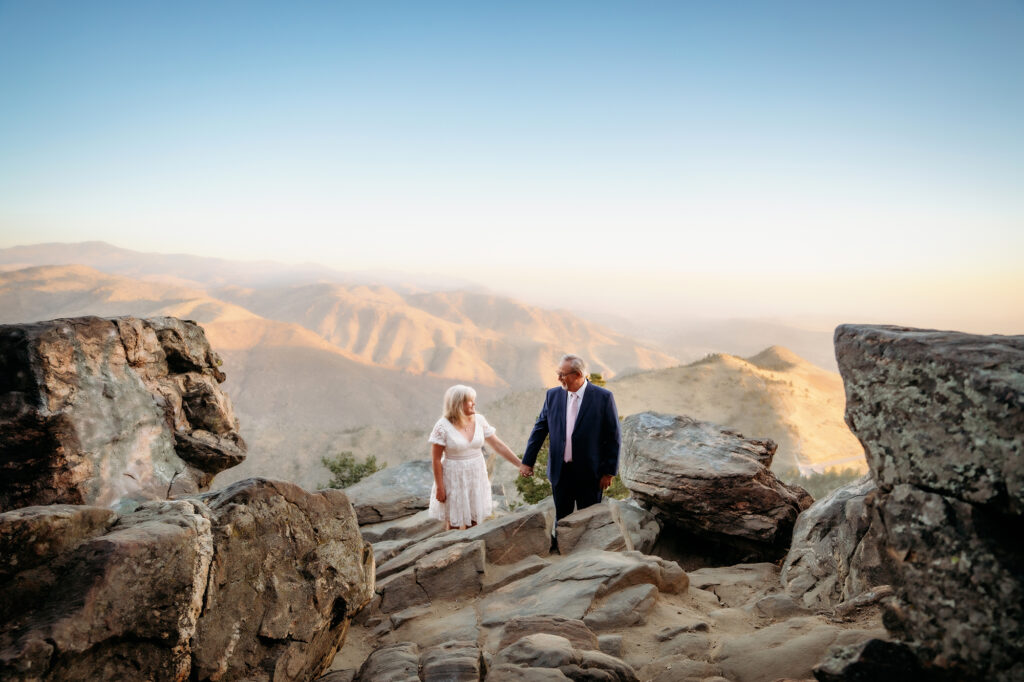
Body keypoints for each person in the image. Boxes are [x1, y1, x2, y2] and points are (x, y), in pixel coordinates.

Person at [521, 354, 621, 527]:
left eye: (562, 374)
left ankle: (588, 553)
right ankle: (560, 548)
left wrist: (609, 472)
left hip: (591, 474)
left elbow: (613, 436)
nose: (558, 378)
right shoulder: (552, 395)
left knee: (590, 521)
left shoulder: (603, 397)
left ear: (578, 375)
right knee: (562, 519)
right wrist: (527, 461)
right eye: (558, 373)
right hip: (560, 472)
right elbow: (540, 429)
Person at [427, 384, 531, 530]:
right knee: (454, 522)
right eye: (470, 400)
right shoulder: (442, 426)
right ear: (458, 404)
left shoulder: (479, 420)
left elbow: (498, 445)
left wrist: (520, 464)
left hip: (476, 474)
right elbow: (436, 459)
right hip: (454, 477)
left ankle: (472, 550)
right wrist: (440, 488)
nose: (474, 403)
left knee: (474, 520)